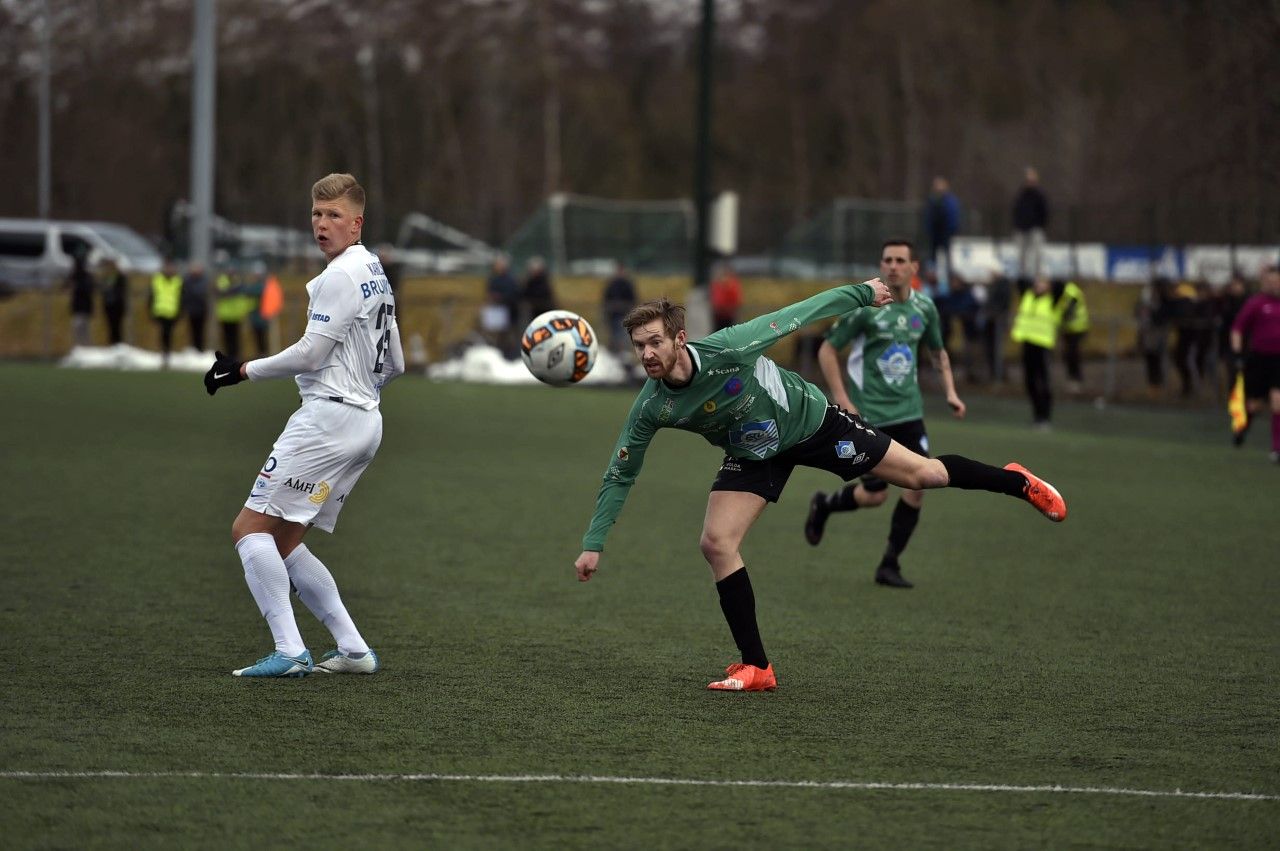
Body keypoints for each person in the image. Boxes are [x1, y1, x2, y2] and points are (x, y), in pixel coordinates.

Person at [572, 281, 1067, 692]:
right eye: (639, 346)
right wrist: (594, 542)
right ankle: (758, 667)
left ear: (679, 339)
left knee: (925, 475)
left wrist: (862, 293)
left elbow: (797, 314)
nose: (647, 354)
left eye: (655, 342)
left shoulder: (730, 347)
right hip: (754, 453)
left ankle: (1017, 482)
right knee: (716, 542)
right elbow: (621, 470)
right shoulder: (651, 405)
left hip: (813, 425)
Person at [203, 173, 404, 677]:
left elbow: (312, 353)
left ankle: (290, 650)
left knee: (248, 530)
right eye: (317, 214)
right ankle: (354, 651)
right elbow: (396, 363)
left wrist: (243, 370)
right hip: (366, 422)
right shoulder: (374, 271)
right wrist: (358, 391)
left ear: (357, 224)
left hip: (328, 423)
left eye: (334, 215)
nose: (322, 224)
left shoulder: (340, 276)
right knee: (285, 542)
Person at [804, 240, 966, 589]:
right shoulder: (867, 307)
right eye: (887, 260)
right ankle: (824, 504)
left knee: (920, 485)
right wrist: (842, 399)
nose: (893, 266)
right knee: (875, 496)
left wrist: (951, 392)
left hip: (909, 413)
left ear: (914, 267)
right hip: (870, 416)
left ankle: (890, 563)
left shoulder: (925, 308)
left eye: (900, 260)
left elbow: (938, 353)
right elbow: (827, 350)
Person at [1229, 263, 1280, 462]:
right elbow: (1237, 329)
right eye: (1271, 281)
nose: (1274, 285)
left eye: (1277, 281)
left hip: (1278, 361)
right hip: (1259, 359)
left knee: (1277, 401)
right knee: (1255, 405)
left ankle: (1276, 449)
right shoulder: (1256, 303)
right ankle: (1242, 428)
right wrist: (1237, 353)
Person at [1011, 276, 1058, 428]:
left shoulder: (1053, 299)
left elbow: (1061, 286)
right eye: (1037, 282)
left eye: (1043, 283)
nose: (1039, 285)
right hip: (1028, 342)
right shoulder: (1028, 295)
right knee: (1029, 381)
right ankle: (1037, 415)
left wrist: (1049, 284)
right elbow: (1020, 280)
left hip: (1043, 344)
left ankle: (1045, 416)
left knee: (1043, 382)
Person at [1012, 167, 1049, 284]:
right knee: (1022, 255)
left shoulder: (1040, 195)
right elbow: (1016, 210)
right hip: (1021, 229)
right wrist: (1017, 224)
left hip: (1035, 228)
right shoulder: (1021, 195)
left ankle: (1038, 276)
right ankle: (1023, 276)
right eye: (1028, 180)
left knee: (1038, 253)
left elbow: (1045, 212)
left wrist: (1040, 225)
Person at [924, 177, 960, 286]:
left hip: (946, 234)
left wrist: (952, 230)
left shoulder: (949, 201)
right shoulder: (932, 200)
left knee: (947, 258)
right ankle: (932, 280)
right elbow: (928, 217)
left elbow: (953, 218)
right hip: (934, 235)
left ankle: (948, 280)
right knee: (933, 258)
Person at [1056, 279, 1089, 394]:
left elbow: (1069, 311)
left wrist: (1058, 317)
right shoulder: (1069, 290)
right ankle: (1073, 378)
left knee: (1072, 354)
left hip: (1077, 328)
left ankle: (1075, 378)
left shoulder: (1070, 291)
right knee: (1069, 354)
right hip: (1070, 328)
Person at [484, 255, 521, 357]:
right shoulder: (493, 278)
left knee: (509, 337)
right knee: (496, 336)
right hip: (496, 312)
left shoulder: (511, 279)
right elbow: (489, 292)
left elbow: (514, 294)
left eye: (499, 265)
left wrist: (500, 297)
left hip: (509, 312)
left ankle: (511, 356)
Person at [149, 258, 182, 367]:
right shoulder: (157, 279)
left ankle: (167, 355)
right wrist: (151, 310)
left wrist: (180, 312)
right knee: (160, 334)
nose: (169, 269)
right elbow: (152, 296)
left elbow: (181, 298)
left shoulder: (178, 281)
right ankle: (159, 354)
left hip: (172, 312)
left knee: (168, 335)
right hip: (159, 312)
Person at [602, 261, 638, 354]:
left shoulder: (628, 284)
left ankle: (622, 352)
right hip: (613, 315)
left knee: (623, 335)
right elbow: (606, 300)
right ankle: (615, 351)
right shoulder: (612, 284)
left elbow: (633, 301)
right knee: (614, 335)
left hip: (625, 315)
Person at [215, 268, 251, 361]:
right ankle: (228, 357)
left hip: (236, 315)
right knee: (227, 338)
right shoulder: (223, 280)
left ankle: (235, 357)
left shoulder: (238, 282)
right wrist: (235, 288)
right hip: (225, 315)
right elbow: (223, 293)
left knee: (236, 339)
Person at [66, 247, 95, 348]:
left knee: (82, 329)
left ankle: (86, 348)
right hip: (79, 307)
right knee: (79, 329)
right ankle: (81, 347)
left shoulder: (85, 276)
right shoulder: (76, 275)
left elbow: (88, 289)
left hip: (83, 307)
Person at [99, 257, 128, 346]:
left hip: (117, 305)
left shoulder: (120, 277)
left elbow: (122, 290)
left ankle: (118, 343)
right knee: (110, 326)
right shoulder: (106, 277)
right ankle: (112, 343)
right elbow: (103, 290)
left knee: (117, 326)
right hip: (108, 305)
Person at [521, 256, 556, 327]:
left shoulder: (544, 281)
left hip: (544, 309)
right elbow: (524, 294)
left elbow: (547, 294)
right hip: (533, 310)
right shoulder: (528, 281)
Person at [709, 261, 743, 331]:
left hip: (729, 315)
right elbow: (715, 300)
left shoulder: (733, 285)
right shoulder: (717, 285)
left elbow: (736, 300)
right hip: (719, 316)